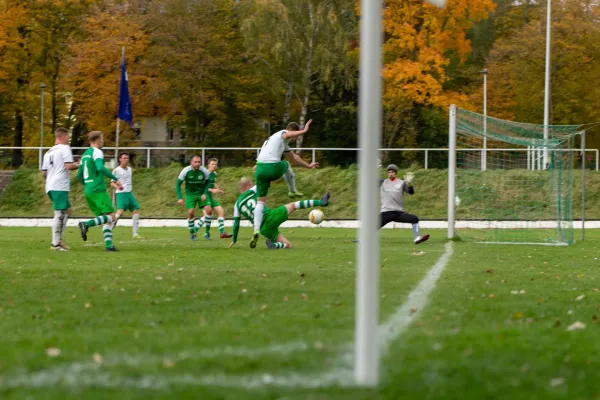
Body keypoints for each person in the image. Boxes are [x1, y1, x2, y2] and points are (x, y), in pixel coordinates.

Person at [251, 120, 318, 249]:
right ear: (293, 132)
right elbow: (287, 136)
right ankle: (292, 190)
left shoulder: (273, 140)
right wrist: (303, 131)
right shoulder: (283, 133)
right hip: (271, 167)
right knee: (286, 164)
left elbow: (294, 158)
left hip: (259, 169)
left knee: (260, 202)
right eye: (295, 136)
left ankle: (256, 229)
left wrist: (308, 166)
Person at [229, 177, 330, 250]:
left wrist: (234, 240)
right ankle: (321, 202)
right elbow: (267, 180)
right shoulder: (253, 190)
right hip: (270, 217)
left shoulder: (237, 205)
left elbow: (236, 224)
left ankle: (275, 245)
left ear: (240, 188)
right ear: (249, 185)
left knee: (288, 245)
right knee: (293, 205)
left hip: (263, 229)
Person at [77, 131, 123, 251]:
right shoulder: (97, 152)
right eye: (102, 139)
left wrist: (88, 185)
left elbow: (79, 175)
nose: (103, 141)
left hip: (89, 190)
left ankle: (109, 246)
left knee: (106, 218)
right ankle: (86, 224)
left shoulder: (85, 154)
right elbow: (100, 167)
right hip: (98, 189)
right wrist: (115, 178)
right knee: (112, 217)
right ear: (97, 140)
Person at [40, 128, 80, 251]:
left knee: (67, 211)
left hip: (50, 185)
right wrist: (79, 164)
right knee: (60, 213)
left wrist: (53, 173)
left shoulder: (48, 152)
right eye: (67, 136)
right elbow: (68, 165)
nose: (68, 139)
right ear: (62, 136)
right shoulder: (65, 148)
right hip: (59, 185)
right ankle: (55, 244)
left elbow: (43, 172)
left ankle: (59, 240)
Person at [378, 164, 429, 244]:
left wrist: (409, 184)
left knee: (414, 219)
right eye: (389, 172)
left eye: (392, 172)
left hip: (399, 213)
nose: (390, 174)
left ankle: (417, 238)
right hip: (386, 212)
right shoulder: (382, 182)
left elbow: (411, 192)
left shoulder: (402, 183)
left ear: (396, 173)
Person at [175, 155, 210, 240]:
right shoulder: (185, 171)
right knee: (191, 212)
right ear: (191, 163)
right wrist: (180, 198)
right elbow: (177, 184)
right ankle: (192, 232)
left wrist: (205, 193)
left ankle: (196, 229)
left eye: (199, 162)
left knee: (208, 211)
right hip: (190, 194)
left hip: (201, 194)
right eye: (195, 162)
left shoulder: (204, 171)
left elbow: (208, 182)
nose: (197, 164)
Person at [199, 158, 232, 240]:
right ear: (208, 165)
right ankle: (204, 232)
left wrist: (219, 189)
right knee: (208, 214)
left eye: (215, 164)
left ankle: (222, 233)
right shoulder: (204, 174)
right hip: (204, 196)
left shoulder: (214, 173)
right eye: (212, 164)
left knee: (221, 211)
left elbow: (212, 183)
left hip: (210, 196)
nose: (214, 166)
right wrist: (213, 190)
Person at [111, 153, 141, 238]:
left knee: (135, 211)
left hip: (129, 193)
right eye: (124, 158)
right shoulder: (116, 170)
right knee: (120, 212)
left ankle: (135, 233)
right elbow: (112, 183)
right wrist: (118, 187)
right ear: (120, 159)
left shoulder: (130, 169)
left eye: (127, 158)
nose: (126, 160)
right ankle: (110, 226)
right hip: (121, 193)